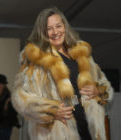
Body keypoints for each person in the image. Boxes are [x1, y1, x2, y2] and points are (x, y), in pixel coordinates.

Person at [12, 7, 113, 140]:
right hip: (57, 133)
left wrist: (98, 90)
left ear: (64, 26)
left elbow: (104, 84)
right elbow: (19, 97)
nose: (55, 32)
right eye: (49, 28)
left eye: (58, 26)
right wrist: (51, 110)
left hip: (90, 131)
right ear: (42, 32)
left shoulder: (81, 53)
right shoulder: (36, 59)